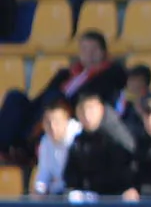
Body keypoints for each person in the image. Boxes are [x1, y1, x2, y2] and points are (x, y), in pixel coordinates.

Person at [0, 30, 125, 161]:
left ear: (102, 52)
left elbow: (94, 99)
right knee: (15, 97)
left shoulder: (110, 74)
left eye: (93, 49)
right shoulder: (67, 73)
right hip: (45, 110)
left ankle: (26, 147)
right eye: (84, 49)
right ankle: (6, 147)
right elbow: (41, 97)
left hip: (70, 115)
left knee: (55, 99)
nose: (88, 54)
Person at [63, 90, 136, 200]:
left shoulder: (116, 136)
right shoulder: (78, 140)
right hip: (88, 196)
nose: (87, 116)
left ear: (101, 109)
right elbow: (71, 174)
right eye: (82, 110)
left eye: (91, 110)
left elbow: (127, 169)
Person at [31, 100, 81, 197]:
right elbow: (43, 172)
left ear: (66, 120)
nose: (53, 127)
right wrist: (39, 190)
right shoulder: (45, 141)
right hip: (57, 194)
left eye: (57, 122)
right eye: (48, 123)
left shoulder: (80, 137)